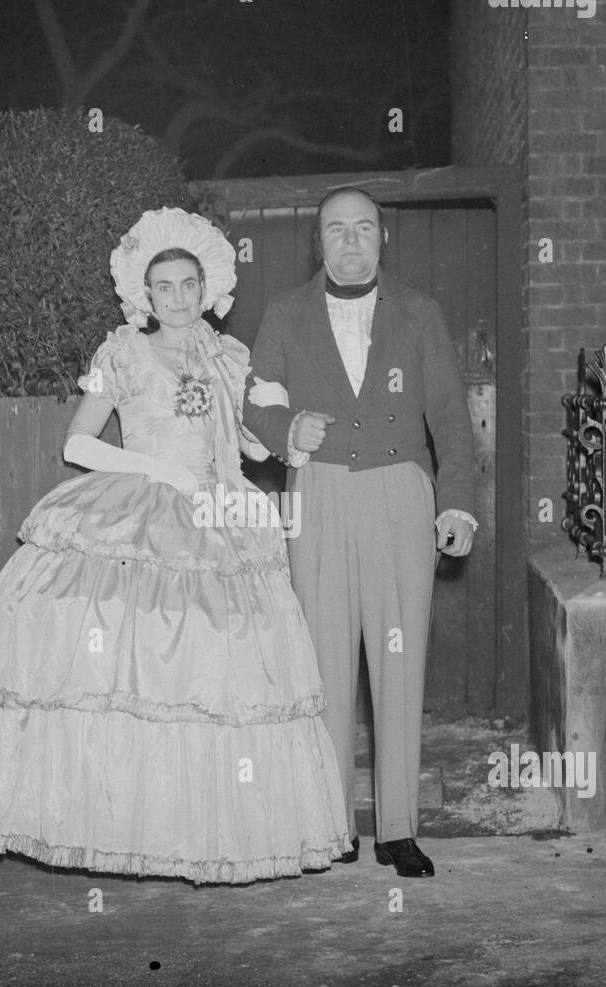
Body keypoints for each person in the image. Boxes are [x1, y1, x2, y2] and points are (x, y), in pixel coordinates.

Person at [0, 206, 353, 885]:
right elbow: (77, 443)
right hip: (144, 510)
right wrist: (159, 471)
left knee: (222, 678)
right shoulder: (122, 354)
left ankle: (207, 836)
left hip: (224, 514)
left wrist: (275, 442)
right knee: (137, 675)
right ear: (145, 295)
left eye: (190, 284)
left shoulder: (231, 357)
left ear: (208, 288)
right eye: (165, 287)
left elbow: (244, 437)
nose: (180, 297)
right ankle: (127, 826)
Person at [241, 187, 478, 878]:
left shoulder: (419, 313)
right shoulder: (285, 314)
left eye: (363, 228)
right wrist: (287, 431)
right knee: (325, 660)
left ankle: (399, 829)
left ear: (382, 239)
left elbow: (452, 420)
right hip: (317, 494)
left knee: (399, 659)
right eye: (335, 230)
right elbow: (255, 405)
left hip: (401, 493)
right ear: (318, 242)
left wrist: (456, 505)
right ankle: (331, 823)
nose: (349, 241)